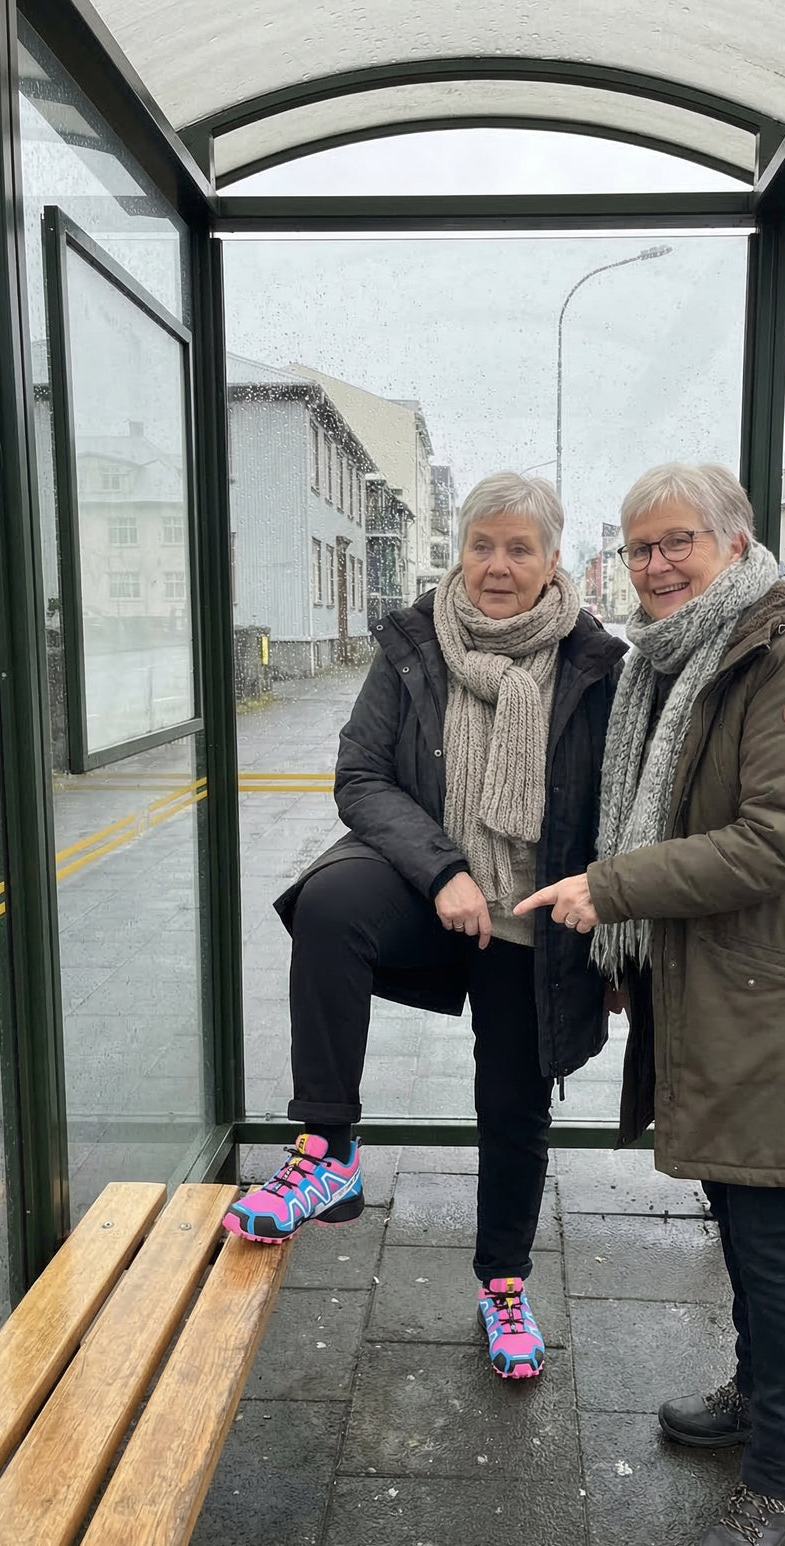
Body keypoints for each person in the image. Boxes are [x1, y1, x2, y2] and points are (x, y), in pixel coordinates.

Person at [516, 463, 785, 1546]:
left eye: (677, 540)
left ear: (735, 542)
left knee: (773, 1232)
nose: (656, 564)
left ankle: (782, 1476)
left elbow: (780, 839)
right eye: (640, 548)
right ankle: (756, 1390)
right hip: (719, 987)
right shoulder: (680, 660)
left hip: (781, 994)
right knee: (736, 1204)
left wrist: (614, 889)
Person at [224, 471, 626, 1381]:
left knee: (513, 1105)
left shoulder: (596, 662)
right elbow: (361, 774)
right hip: (430, 885)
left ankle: (504, 1285)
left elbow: (618, 802)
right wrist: (443, 868)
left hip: (533, 911)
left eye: (519, 548)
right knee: (329, 902)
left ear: (552, 560)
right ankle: (327, 1148)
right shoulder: (415, 642)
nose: (497, 565)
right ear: (459, 551)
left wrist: (607, 927)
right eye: (482, 545)